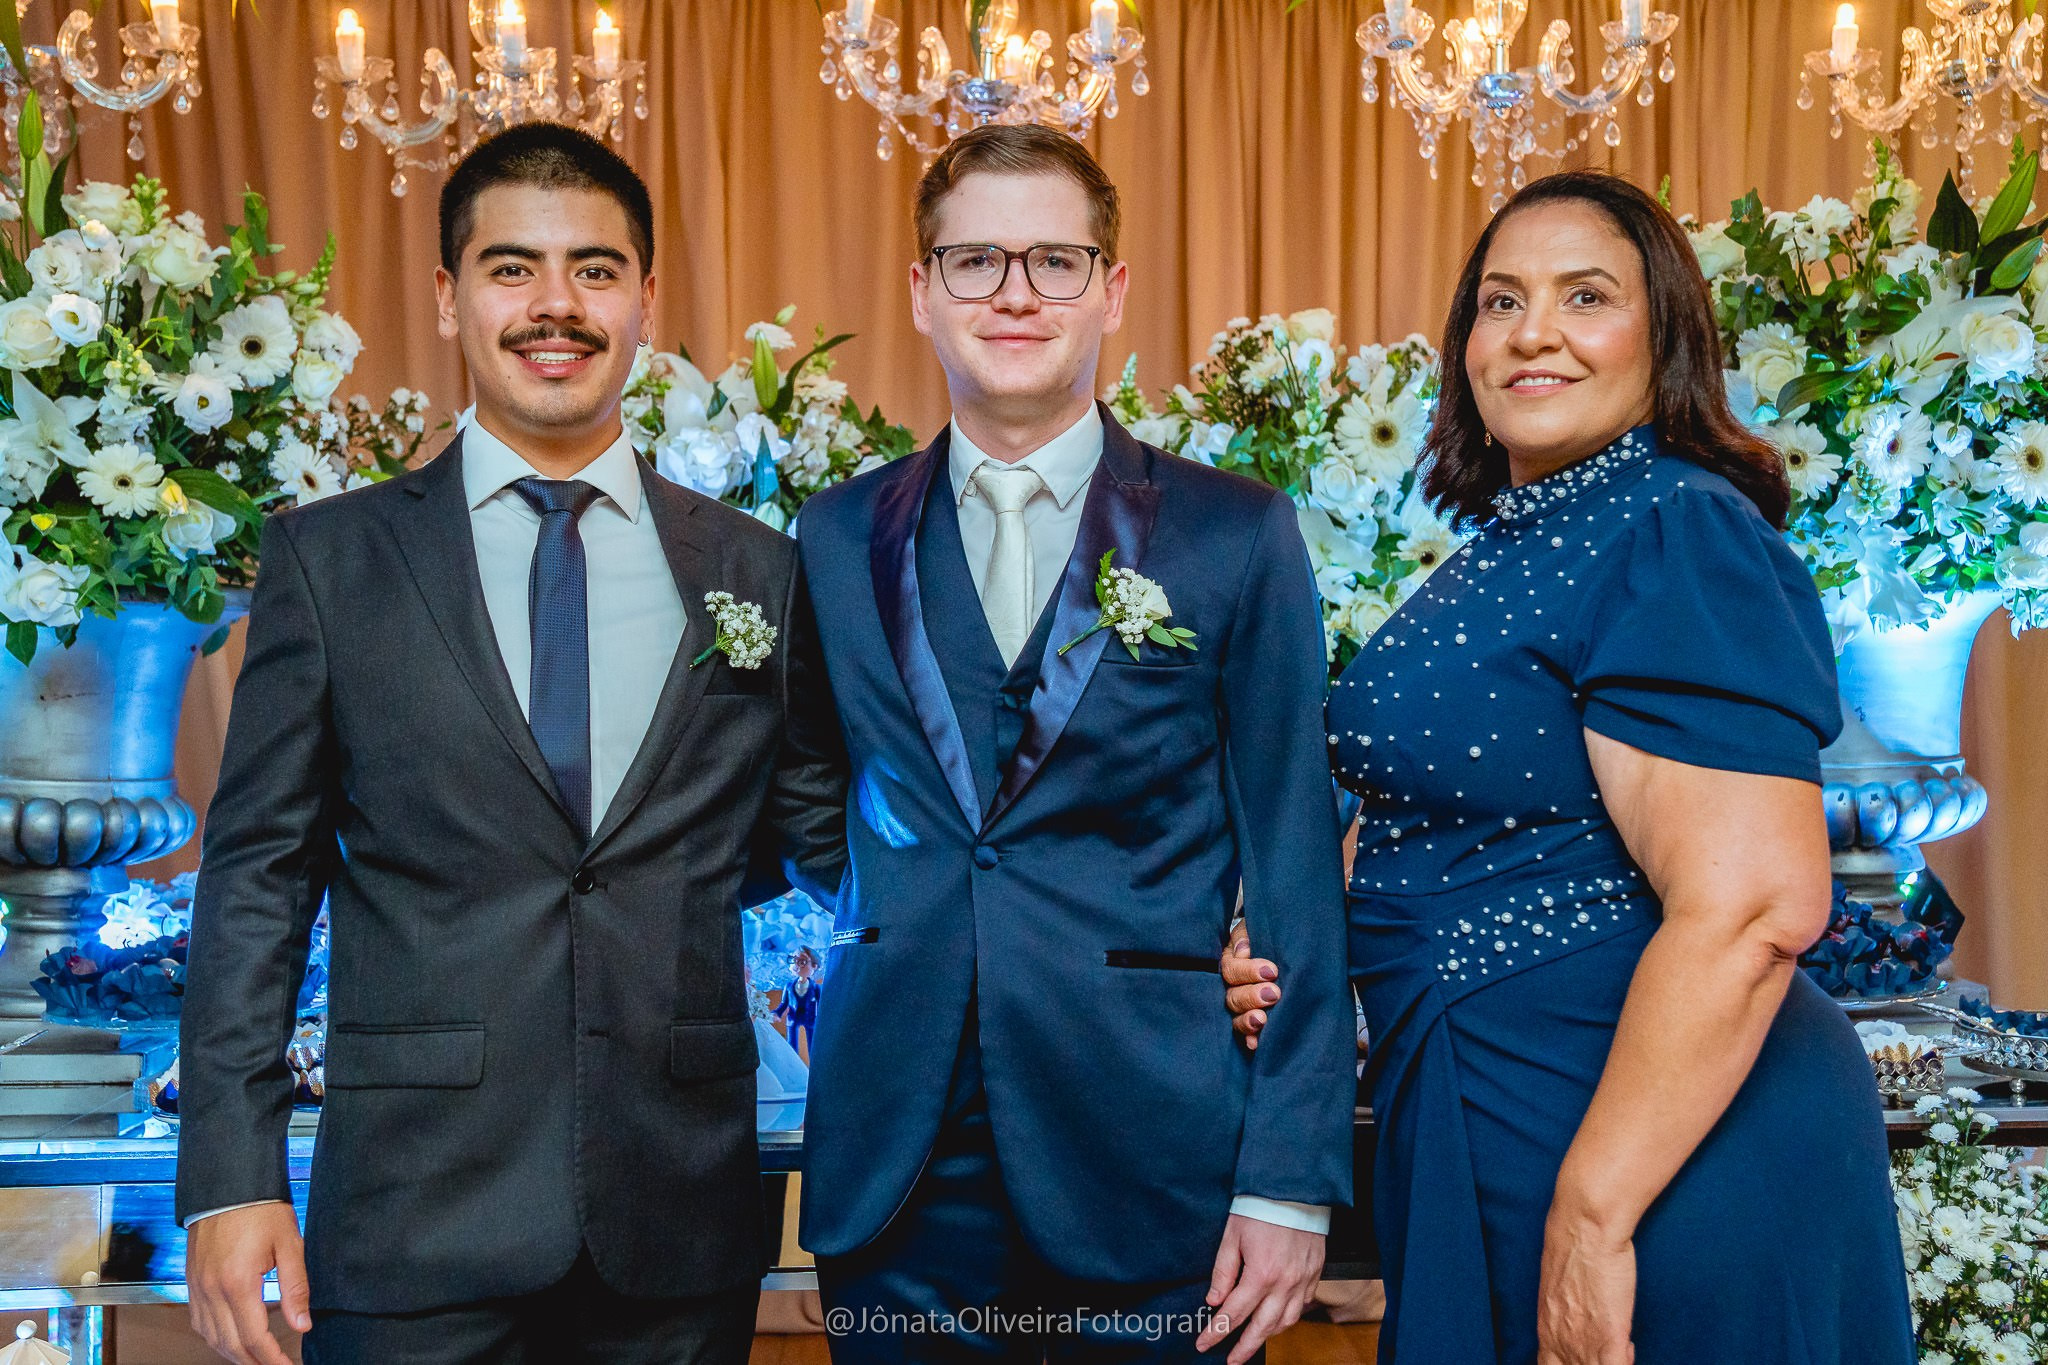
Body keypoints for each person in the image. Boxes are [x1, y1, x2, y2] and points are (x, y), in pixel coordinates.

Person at [175, 123, 845, 1365]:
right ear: (447, 297)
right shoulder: (330, 565)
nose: (556, 306)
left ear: (648, 300)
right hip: (413, 1218)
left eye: (595, 270)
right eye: (511, 268)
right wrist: (231, 1177)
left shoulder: (761, 571)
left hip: (678, 1221)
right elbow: (257, 882)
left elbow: (827, 850)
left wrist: (1158, 935)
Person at [1227, 170, 1914, 1364]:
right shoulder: (1524, 536)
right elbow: (1458, 821)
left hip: (1649, 1153)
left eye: (1582, 296)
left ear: (1665, 338)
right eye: (1498, 303)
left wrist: (1593, 1218)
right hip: (1498, 1106)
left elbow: (1753, 906)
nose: (1529, 332)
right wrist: (1292, 945)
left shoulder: (1671, 525)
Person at [793, 125, 1356, 1365]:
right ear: (919, 293)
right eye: (973, 260)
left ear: (1110, 289)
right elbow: (805, 797)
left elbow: (1295, 856)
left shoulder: (1233, 536)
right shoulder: (831, 539)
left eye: (1053, 259)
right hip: (895, 1166)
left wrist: (1287, 1179)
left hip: (1154, 1155)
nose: (1011, 293)